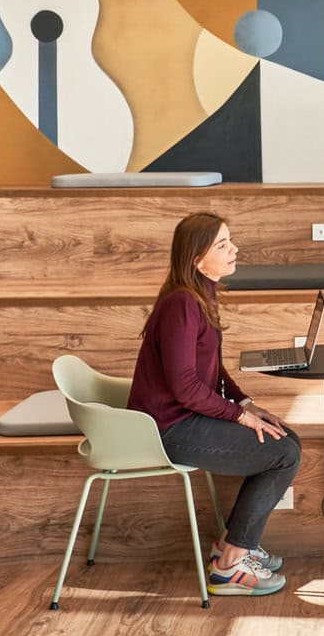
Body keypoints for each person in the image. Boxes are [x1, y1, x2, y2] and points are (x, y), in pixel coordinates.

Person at [127, 211, 301, 596]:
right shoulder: (181, 305)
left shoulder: (200, 295)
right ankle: (230, 567)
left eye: (230, 241)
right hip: (169, 429)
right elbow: (186, 387)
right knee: (283, 454)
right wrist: (238, 417)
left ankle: (231, 546)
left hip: (185, 419)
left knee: (287, 439)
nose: (233, 248)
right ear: (196, 257)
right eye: (222, 244)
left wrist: (246, 403)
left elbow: (211, 369)